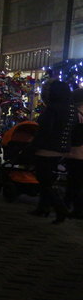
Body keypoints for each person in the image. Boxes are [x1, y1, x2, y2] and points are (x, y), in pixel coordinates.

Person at [30, 79, 76, 224]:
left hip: (47, 148)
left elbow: (45, 130)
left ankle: (59, 208)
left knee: (44, 180)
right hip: (62, 148)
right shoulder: (71, 109)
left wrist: (34, 145)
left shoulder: (52, 109)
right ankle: (43, 207)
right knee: (48, 179)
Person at [64, 88, 83, 219]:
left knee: (74, 182)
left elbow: (74, 136)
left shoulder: (76, 114)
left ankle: (75, 208)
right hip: (78, 153)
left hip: (76, 152)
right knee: (76, 182)